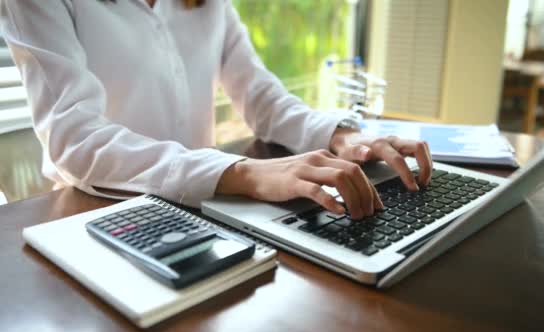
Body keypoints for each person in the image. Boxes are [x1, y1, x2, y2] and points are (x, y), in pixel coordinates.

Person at [0, 0, 432, 220]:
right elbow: (74, 140)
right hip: (96, 210)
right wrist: (243, 173)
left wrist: (343, 136)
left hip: (204, 205)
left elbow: (262, 97)